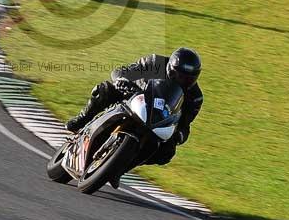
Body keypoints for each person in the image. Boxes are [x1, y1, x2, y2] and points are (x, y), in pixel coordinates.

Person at [65, 48, 204, 170]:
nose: (180, 81)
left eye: (187, 79)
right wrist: (122, 80)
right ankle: (82, 119)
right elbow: (121, 71)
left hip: (157, 120)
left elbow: (185, 125)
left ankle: (123, 164)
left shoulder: (195, 98)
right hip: (132, 97)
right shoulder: (156, 63)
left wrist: (179, 136)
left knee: (166, 153)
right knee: (104, 89)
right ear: (170, 68)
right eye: (177, 75)